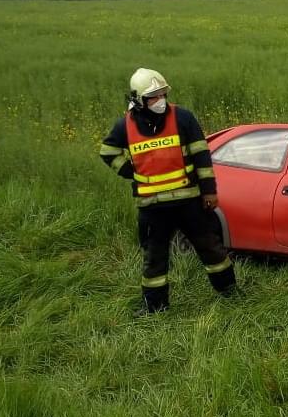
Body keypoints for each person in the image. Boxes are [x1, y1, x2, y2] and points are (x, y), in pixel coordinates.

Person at [99, 67, 235, 314]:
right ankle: (155, 306)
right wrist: (131, 172)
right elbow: (107, 152)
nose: (160, 100)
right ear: (138, 100)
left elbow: (202, 156)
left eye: (163, 94)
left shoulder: (183, 118)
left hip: (189, 202)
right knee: (154, 258)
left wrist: (209, 192)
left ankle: (230, 292)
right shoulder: (125, 126)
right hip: (152, 208)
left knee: (211, 248)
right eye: (153, 96)